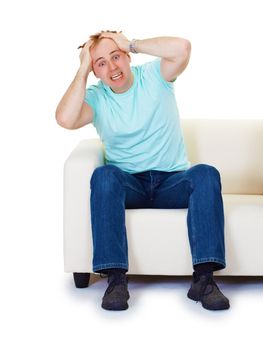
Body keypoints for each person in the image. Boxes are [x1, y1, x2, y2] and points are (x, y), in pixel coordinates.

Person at [56, 30, 230, 311]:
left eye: (116, 56)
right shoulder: (97, 97)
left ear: (126, 56)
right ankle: (115, 281)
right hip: (129, 185)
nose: (112, 67)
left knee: (206, 173)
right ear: (95, 71)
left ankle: (204, 281)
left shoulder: (154, 76)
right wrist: (82, 69)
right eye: (101, 63)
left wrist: (132, 43)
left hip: (171, 182)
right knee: (104, 176)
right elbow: (65, 119)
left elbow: (183, 48)